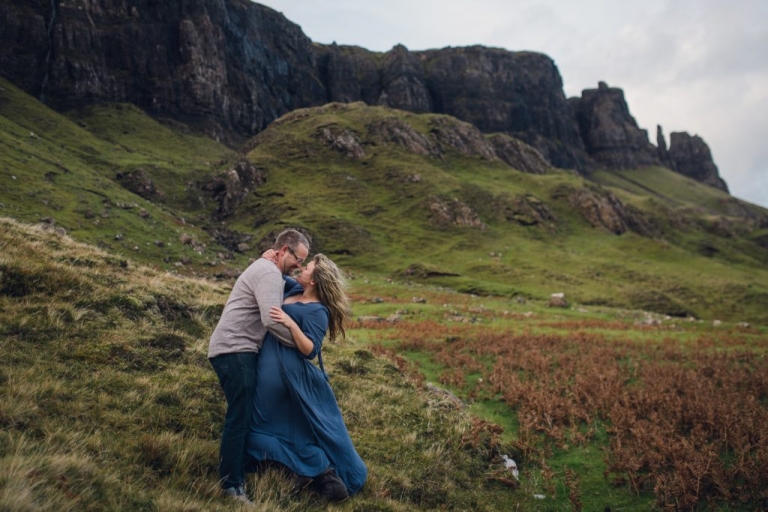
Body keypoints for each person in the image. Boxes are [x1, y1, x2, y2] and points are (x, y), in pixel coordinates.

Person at [245, 254, 367, 501]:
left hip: (286, 374)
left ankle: (325, 477)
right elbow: (276, 276)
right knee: (270, 427)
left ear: (315, 279)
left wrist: (291, 323)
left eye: (307, 266)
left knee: (266, 427)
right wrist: (271, 256)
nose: (302, 267)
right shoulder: (294, 288)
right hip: (269, 366)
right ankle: (304, 474)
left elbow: (310, 350)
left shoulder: (318, 312)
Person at [208, 229, 310, 503]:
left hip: (237, 350)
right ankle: (232, 486)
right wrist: (302, 344)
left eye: (303, 263)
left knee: (243, 415)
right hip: (235, 350)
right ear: (284, 250)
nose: (299, 266)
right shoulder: (268, 273)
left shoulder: (271, 271)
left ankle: (239, 474)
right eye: (298, 259)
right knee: (239, 417)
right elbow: (271, 320)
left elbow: (293, 284)